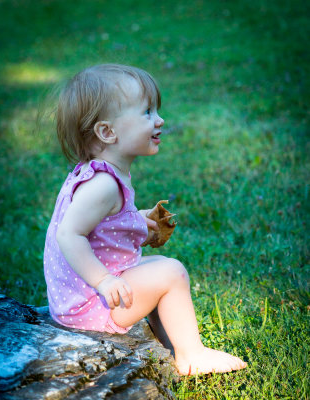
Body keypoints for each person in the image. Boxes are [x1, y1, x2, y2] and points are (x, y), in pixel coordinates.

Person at [44, 64, 247, 375]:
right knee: (172, 272)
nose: (160, 120)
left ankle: (170, 339)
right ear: (107, 132)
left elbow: (103, 225)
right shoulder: (103, 185)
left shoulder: (105, 173)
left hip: (86, 297)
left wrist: (137, 219)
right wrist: (104, 280)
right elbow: (68, 235)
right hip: (87, 307)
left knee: (159, 263)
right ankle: (191, 355)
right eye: (147, 112)